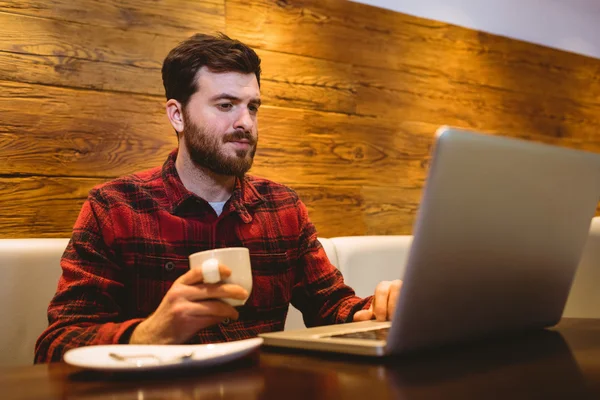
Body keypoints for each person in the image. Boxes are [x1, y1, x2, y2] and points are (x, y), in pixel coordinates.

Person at [34, 33, 402, 363]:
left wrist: (380, 310)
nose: (246, 122)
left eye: (252, 106)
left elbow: (331, 304)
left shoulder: (282, 207)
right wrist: (151, 333)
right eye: (226, 105)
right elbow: (56, 345)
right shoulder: (115, 207)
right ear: (177, 115)